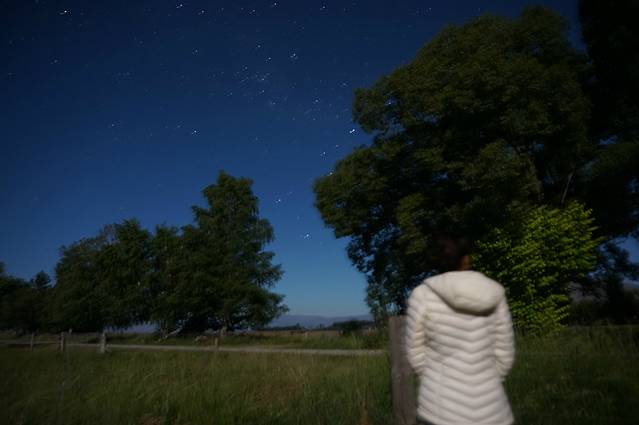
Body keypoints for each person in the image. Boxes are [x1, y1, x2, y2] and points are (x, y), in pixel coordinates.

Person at [405, 234, 515, 425]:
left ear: (438, 260)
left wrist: (433, 379)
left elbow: (415, 352)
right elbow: (505, 354)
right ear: (466, 258)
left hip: (440, 410)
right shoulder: (494, 293)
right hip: (491, 410)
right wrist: (488, 380)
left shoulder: (422, 295)